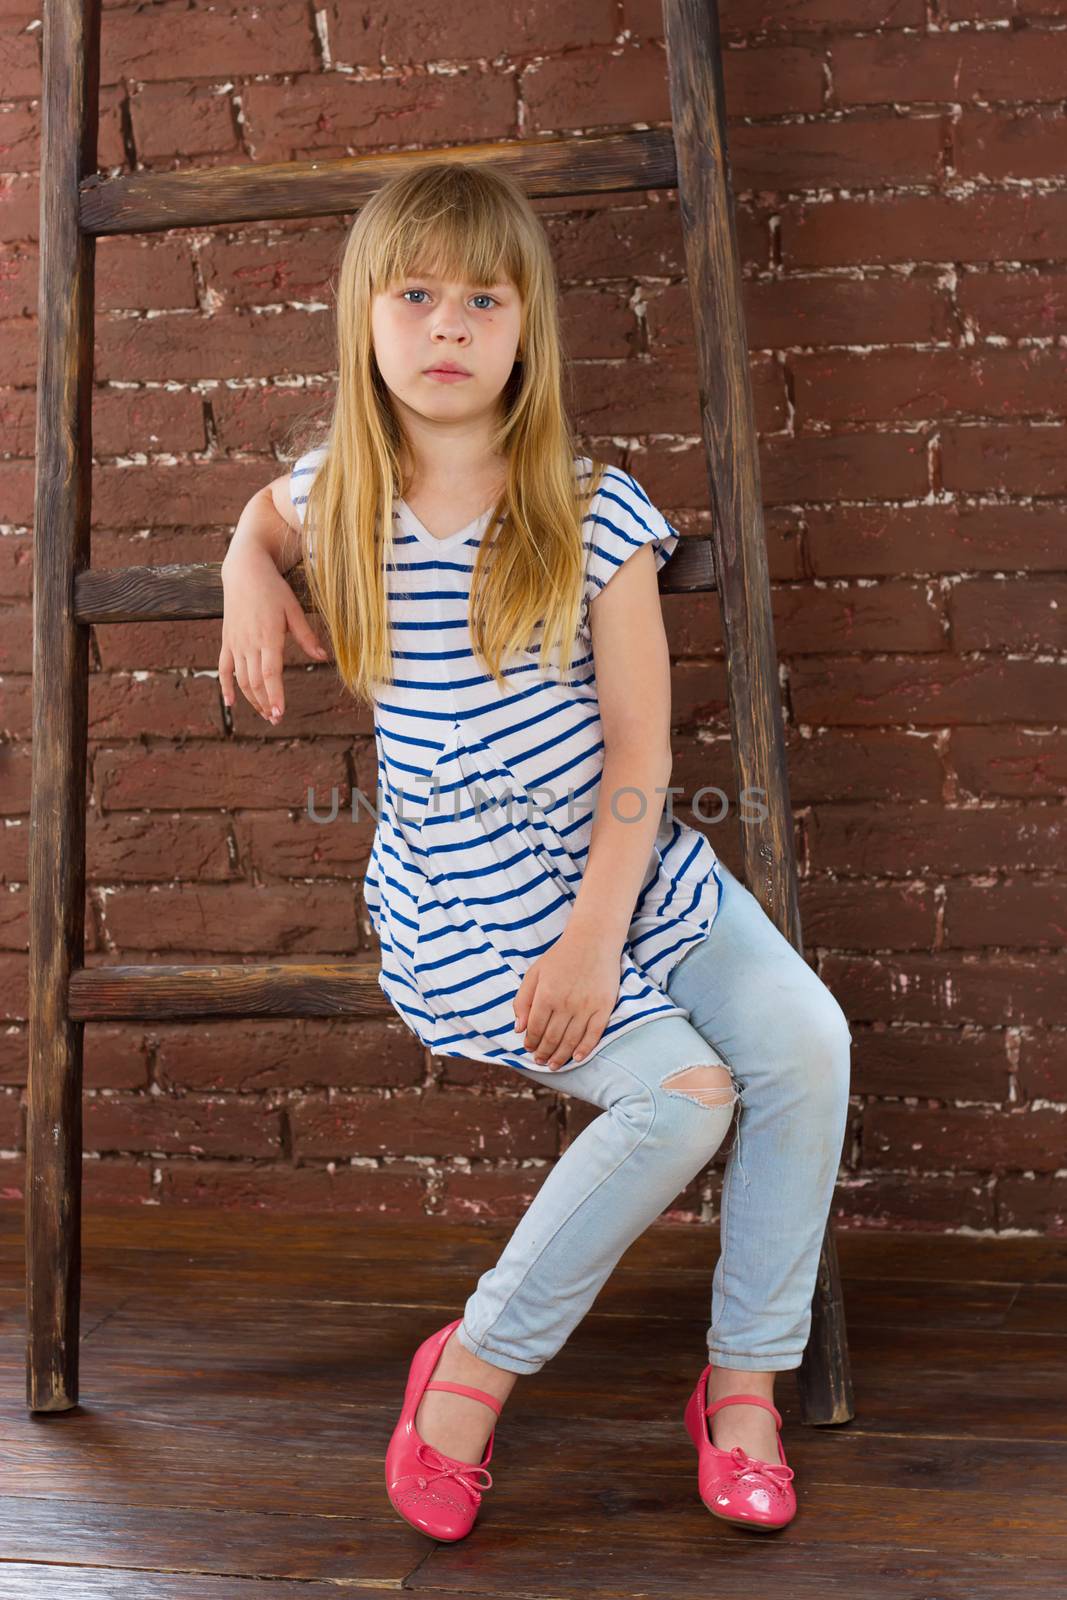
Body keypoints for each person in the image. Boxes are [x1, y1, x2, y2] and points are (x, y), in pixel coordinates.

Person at [218, 158, 852, 1544]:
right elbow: (264, 512)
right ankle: (474, 1366)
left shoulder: (588, 506)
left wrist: (593, 936)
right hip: (468, 911)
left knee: (806, 1042)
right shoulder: (339, 496)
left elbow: (640, 756)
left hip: (623, 881)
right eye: (419, 295)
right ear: (366, 321)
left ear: (527, 330)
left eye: (484, 300)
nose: (449, 327)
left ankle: (743, 1383)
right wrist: (243, 576)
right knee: (684, 1100)